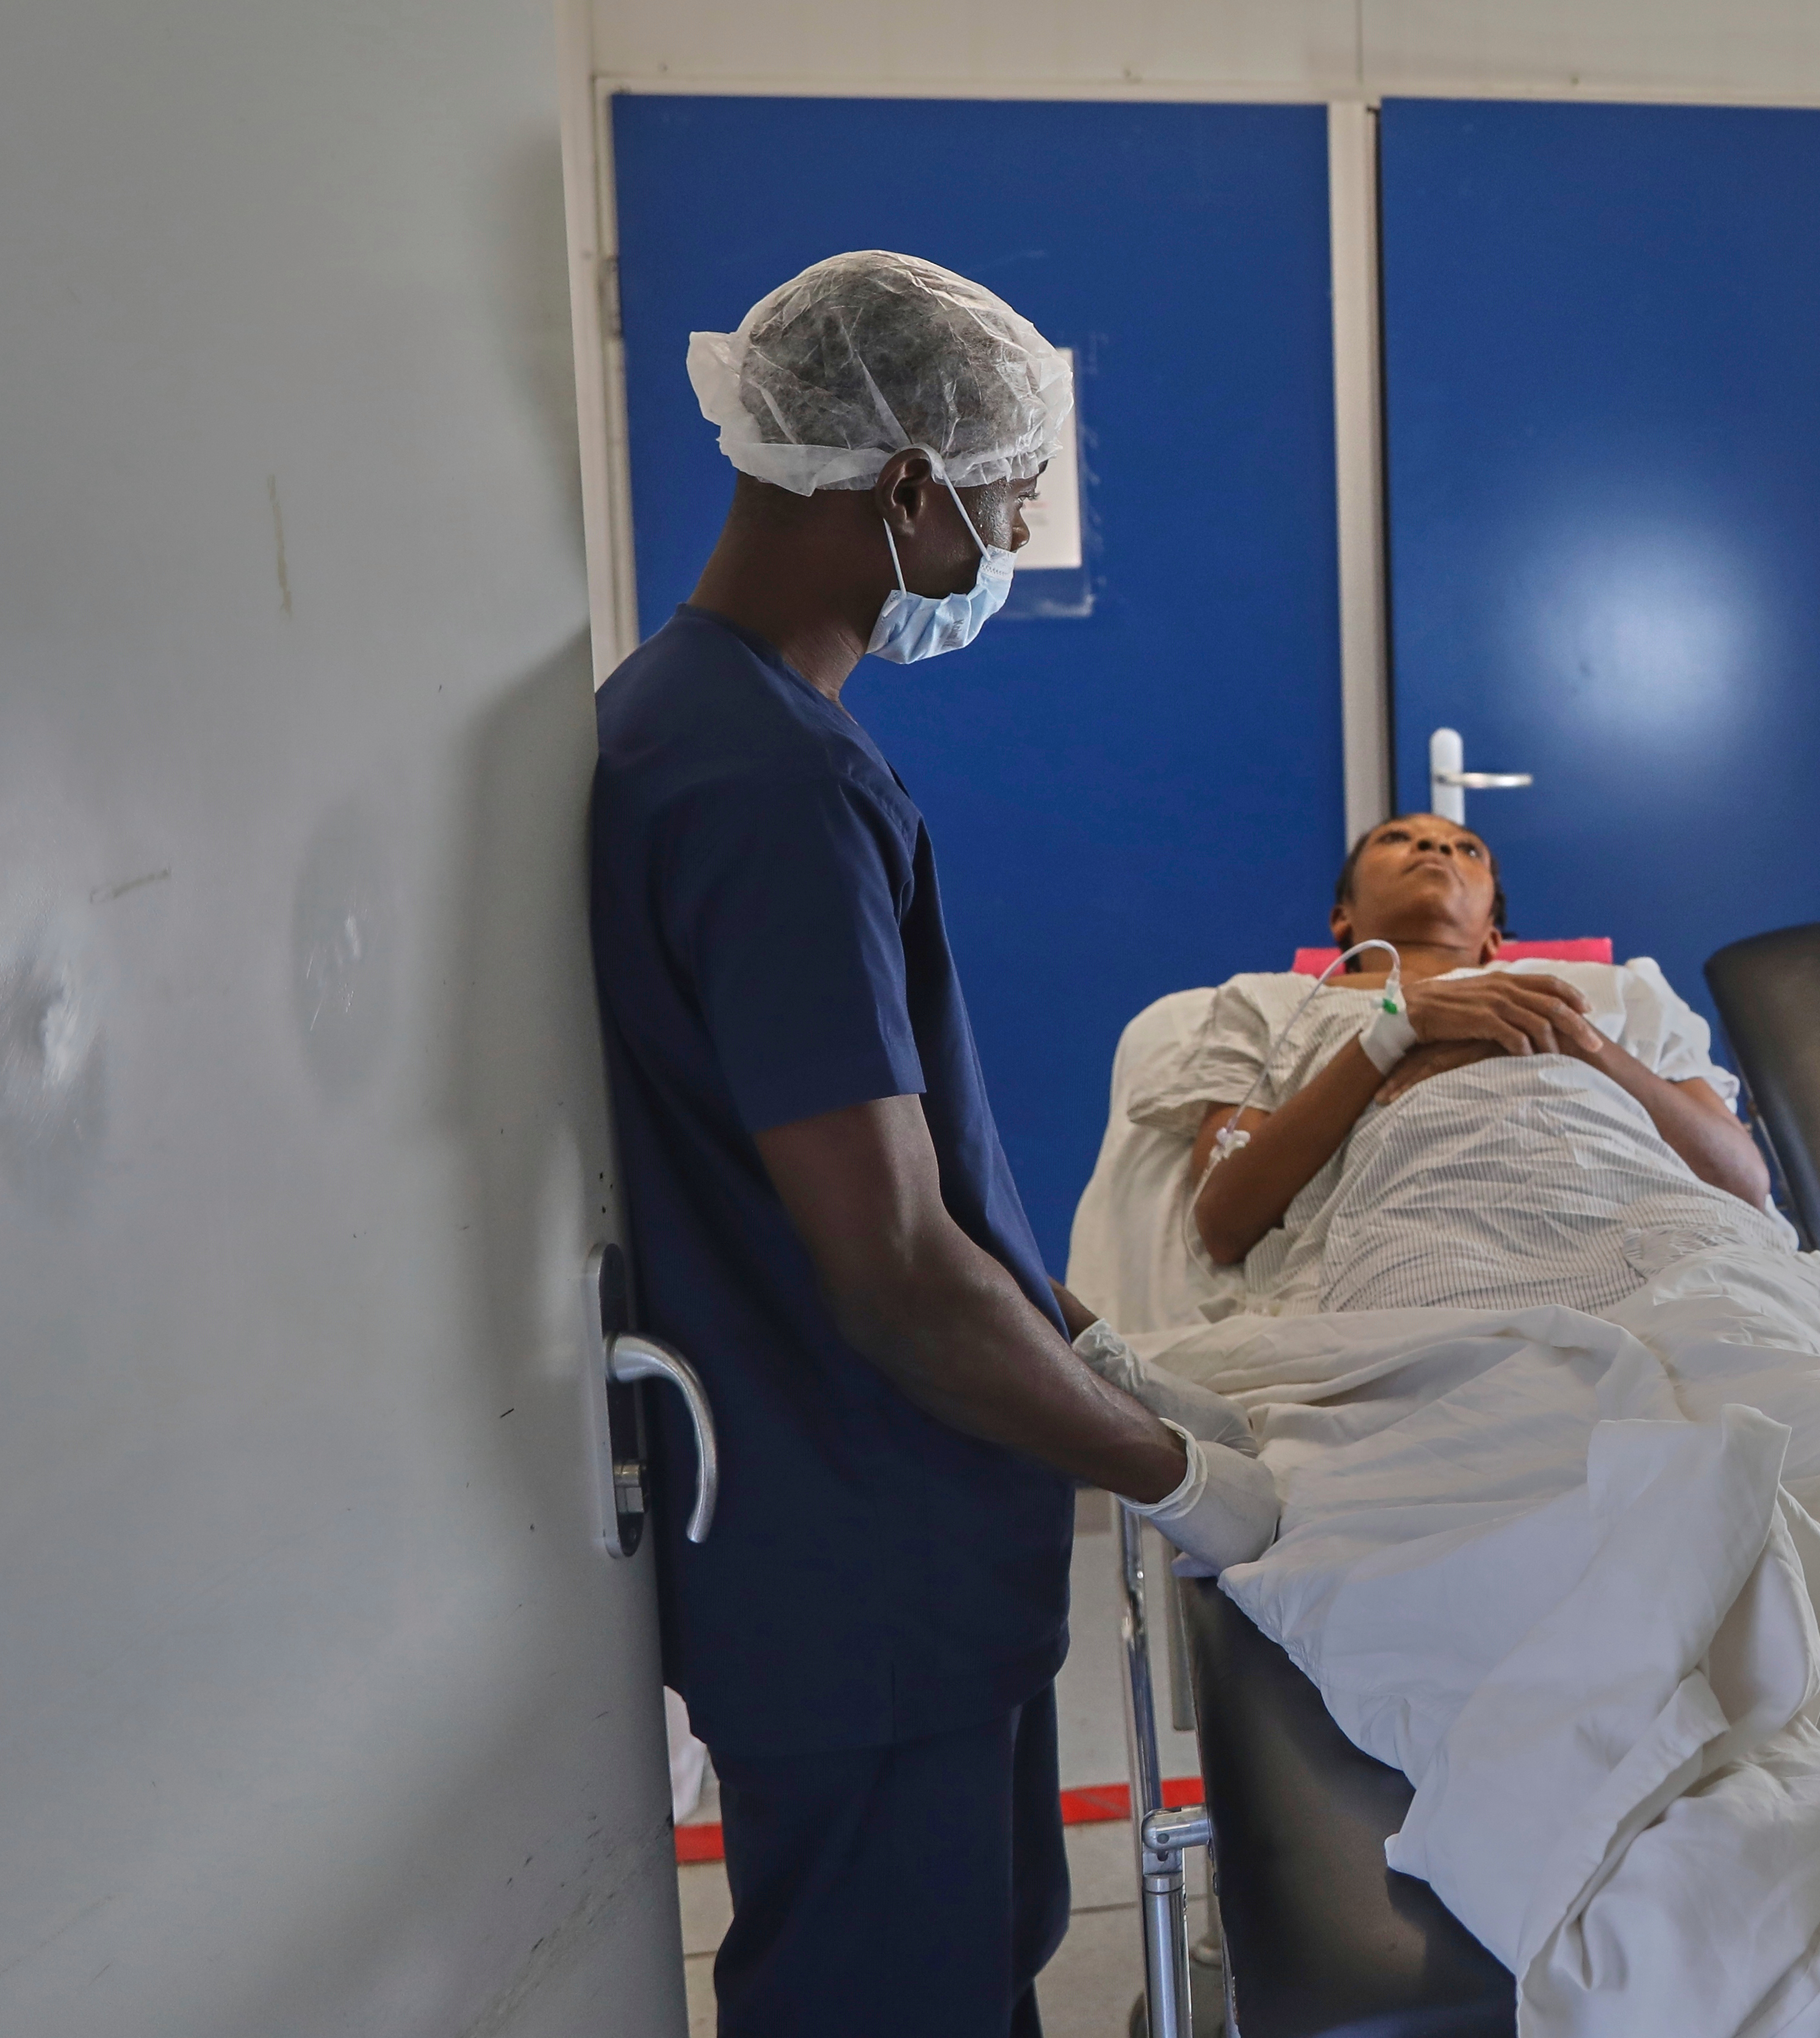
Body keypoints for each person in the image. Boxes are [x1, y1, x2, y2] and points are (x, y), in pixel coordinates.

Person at [587, 251, 1269, 2038]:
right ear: (905, 490)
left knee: (967, 1956)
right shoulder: (771, 786)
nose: (1021, 526)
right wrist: (1168, 1474)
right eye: (1009, 490)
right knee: (894, 1990)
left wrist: (1069, 1329)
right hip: (859, 1554)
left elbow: (881, 1169)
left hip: (857, 1538)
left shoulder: (692, 722)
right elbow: (888, 1271)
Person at [1172, 812, 1771, 1271]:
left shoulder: (1616, 990)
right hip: (1405, 1258)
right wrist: (1390, 1034)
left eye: (1467, 849)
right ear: (1342, 919)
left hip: (1644, 1243)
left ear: (1492, 937)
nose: (1435, 848)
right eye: (1398, 838)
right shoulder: (1267, 1001)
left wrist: (1566, 1037)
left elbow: (1741, 1183)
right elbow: (1223, 1224)